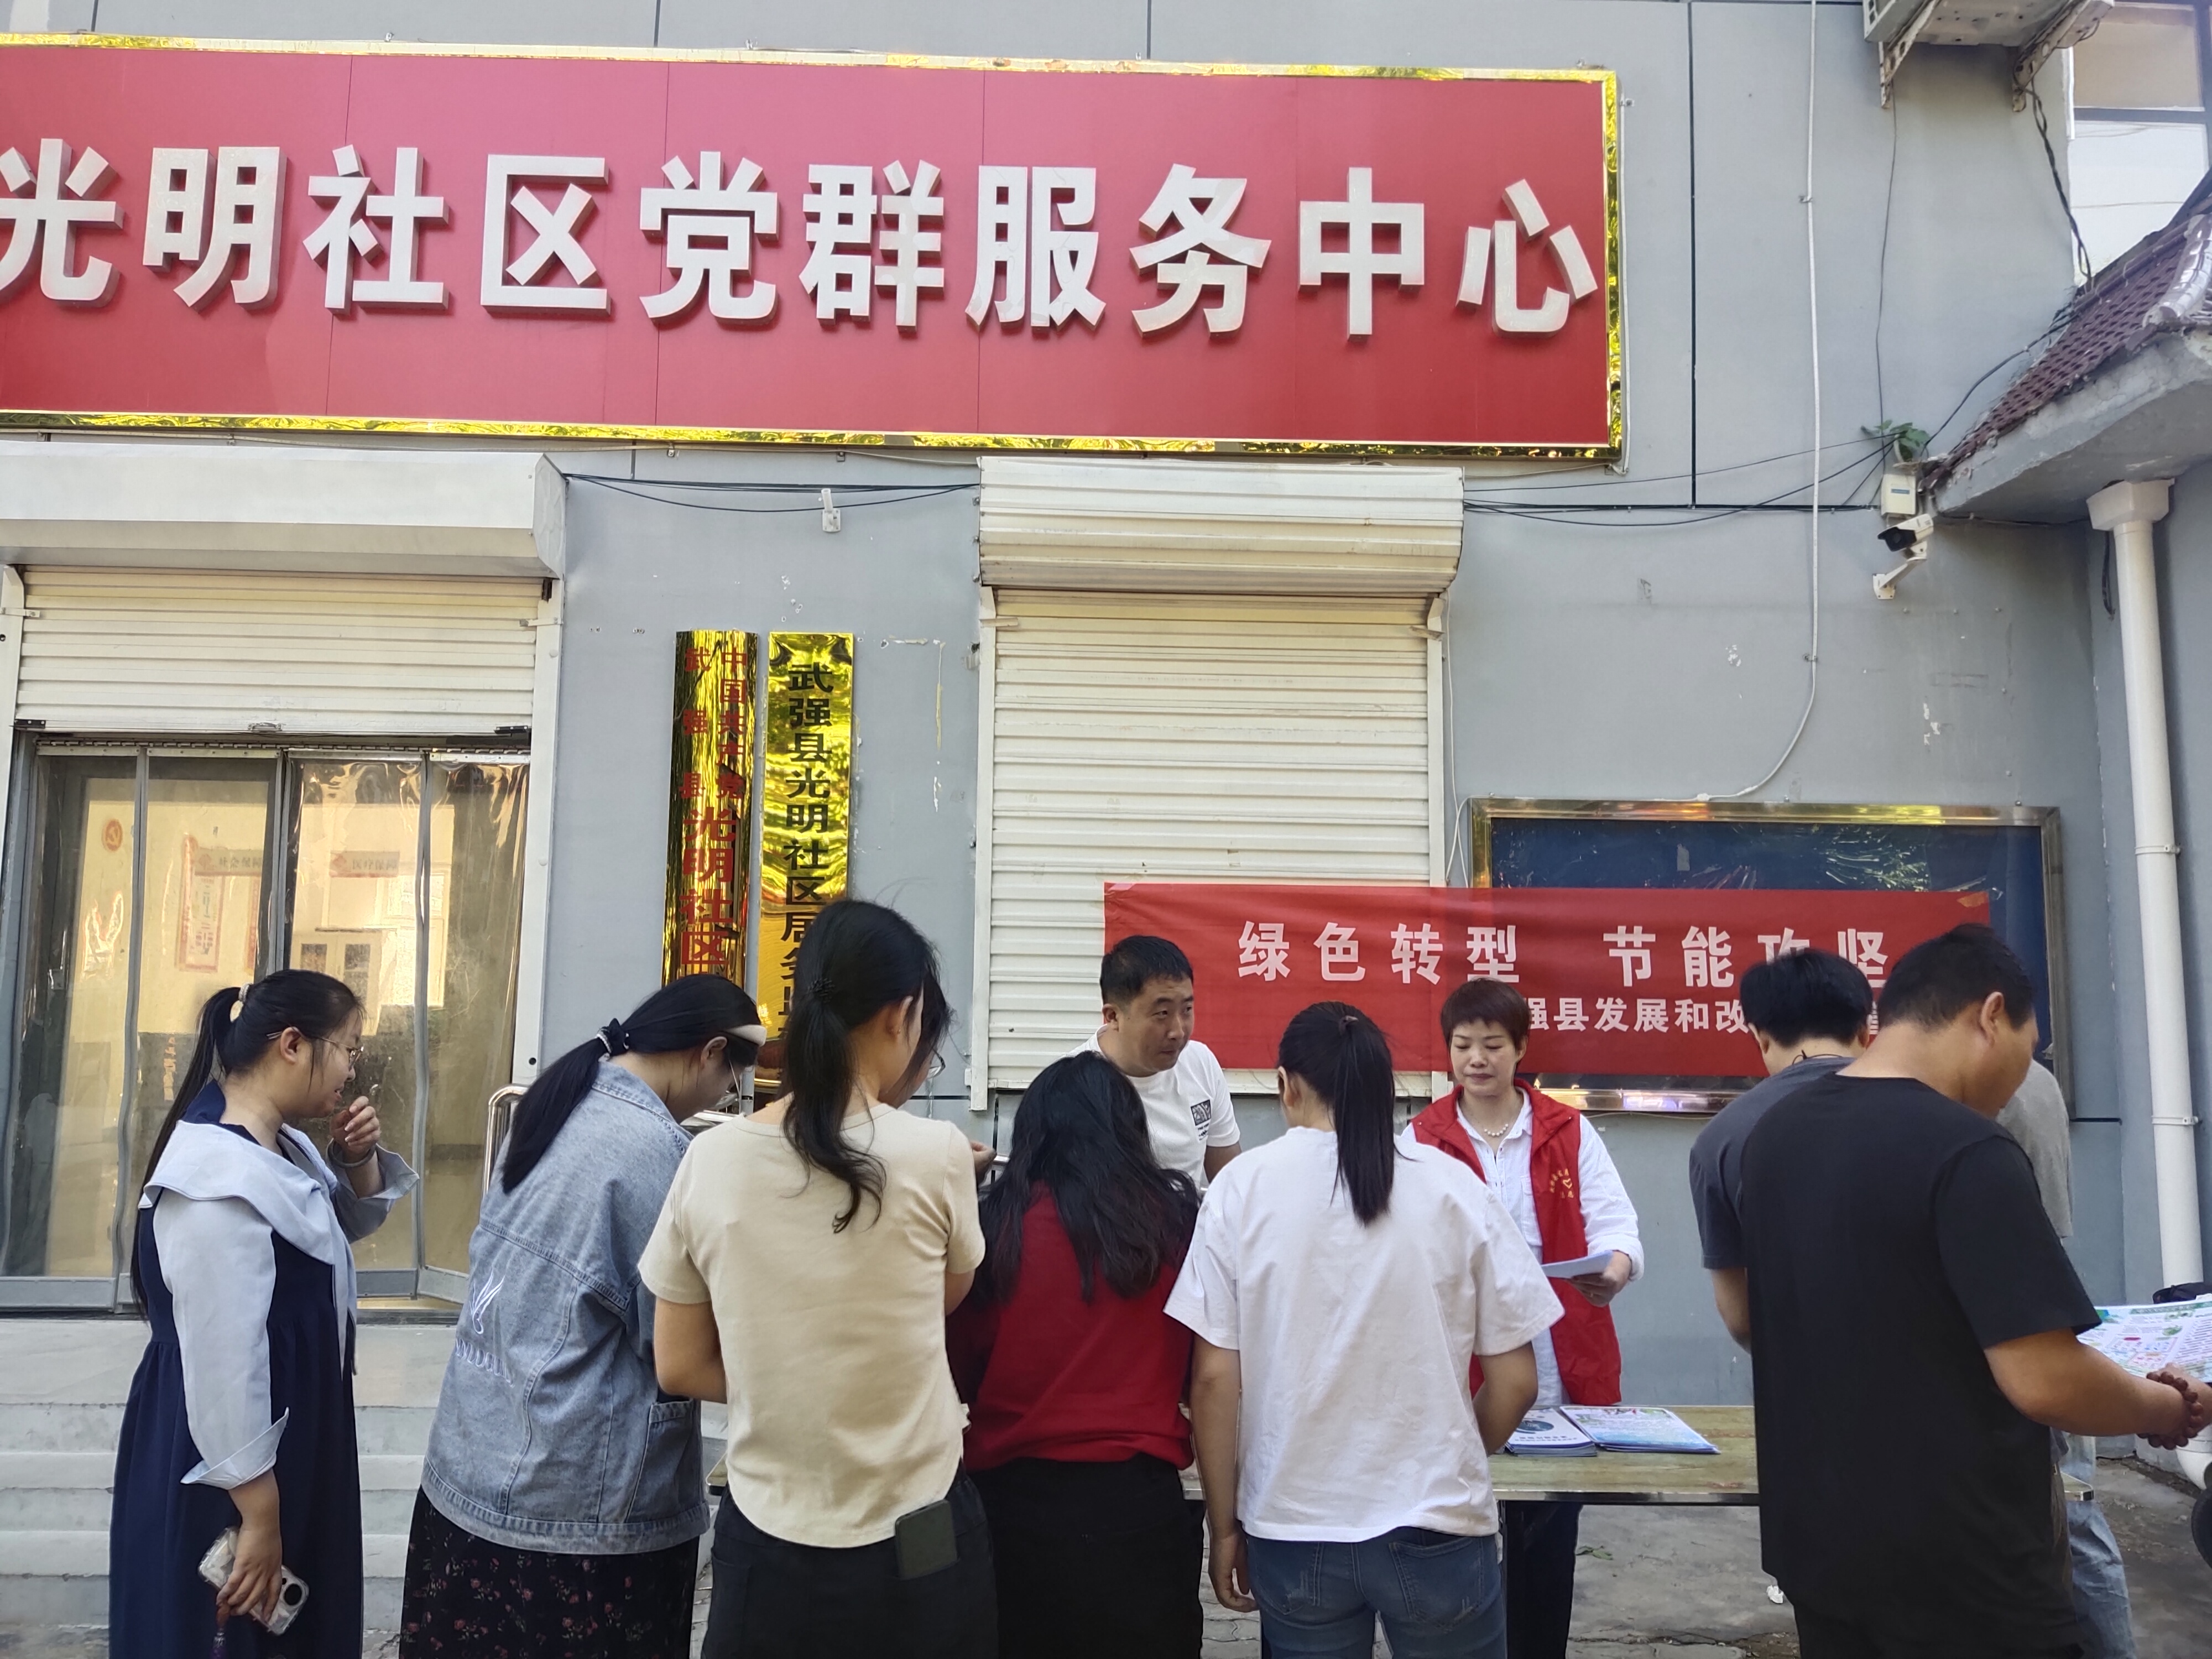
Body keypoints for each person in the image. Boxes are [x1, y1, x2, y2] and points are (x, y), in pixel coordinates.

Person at [1739, 924, 2210, 1659]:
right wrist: (2169, 1408)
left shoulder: (1775, 1134)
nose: (2023, 1075)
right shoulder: (1968, 1151)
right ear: (1990, 1015)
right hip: (1961, 1568)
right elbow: (2044, 1378)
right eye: (2028, 1046)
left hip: (1822, 1555)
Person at [643, 899, 994, 1658]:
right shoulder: (938, 1155)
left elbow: (679, 1365)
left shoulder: (710, 1159)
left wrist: (786, 1374)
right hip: (919, 1530)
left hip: (770, 1545)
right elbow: (931, 1312)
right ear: (903, 1014)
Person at [1168, 1001, 1561, 1659]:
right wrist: (1452, 1452)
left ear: (1286, 1086)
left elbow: (1212, 1379)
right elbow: (1517, 1382)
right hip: (1439, 1528)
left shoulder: (1240, 1190)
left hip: (1293, 1527)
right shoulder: (1453, 1188)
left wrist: (1223, 1522)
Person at [401, 974, 766, 1658]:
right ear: (711, 1052)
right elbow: (680, 1345)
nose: (722, 1100)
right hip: (574, 1519)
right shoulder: (654, 1155)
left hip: (468, 1470)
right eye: (731, 1083)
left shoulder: (556, 1099)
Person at [111, 972, 416, 1659]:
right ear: (291, 1044)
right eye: (347, 1048)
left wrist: (356, 1161)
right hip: (233, 1459)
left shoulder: (277, 1142)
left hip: (284, 1438)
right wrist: (258, 1512)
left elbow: (330, 1229)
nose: (351, 1069)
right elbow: (223, 1362)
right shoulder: (215, 1181)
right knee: (231, 1629)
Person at [1401, 978, 1642, 1659]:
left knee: (1546, 1537)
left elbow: (1617, 1224)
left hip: (1556, 1356)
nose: (1476, 1060)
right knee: (1459, 1530)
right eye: (1462, 1046)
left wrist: (1615, 1266)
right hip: (1462, 1363)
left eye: (1492, 1045)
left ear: (1521, 1049)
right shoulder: (1420, 1137)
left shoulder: (1567, 1129)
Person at [947, 1051, 1204, 1659]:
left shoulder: (994, 1227)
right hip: (1139, 1501)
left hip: (1013, 1502)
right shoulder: (1175, 1222)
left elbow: (957, 1367)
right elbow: (1202, 1367)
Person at [1993, 1059, 2137, 1659]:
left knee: (2072, 1514)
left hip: (2018, 1306)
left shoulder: (1991, 1083)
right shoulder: (2034, 1076)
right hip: (2043, 1294)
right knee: (2072, 1508)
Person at [1686, 948, 1872, 1347]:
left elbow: (1741, 1316)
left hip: (1798, 1371)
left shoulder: (1719, 1140)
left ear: (1761, 1038)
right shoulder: (1936, 1112)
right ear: (1864, 1032)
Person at [1075, 934, 1241, 1185]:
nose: (1178, 1032)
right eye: (1162, 1013)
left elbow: (1232, 1183)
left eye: (1187, 1010)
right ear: (1113, 1016)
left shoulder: (1201, 1064)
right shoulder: (1071, 1086)